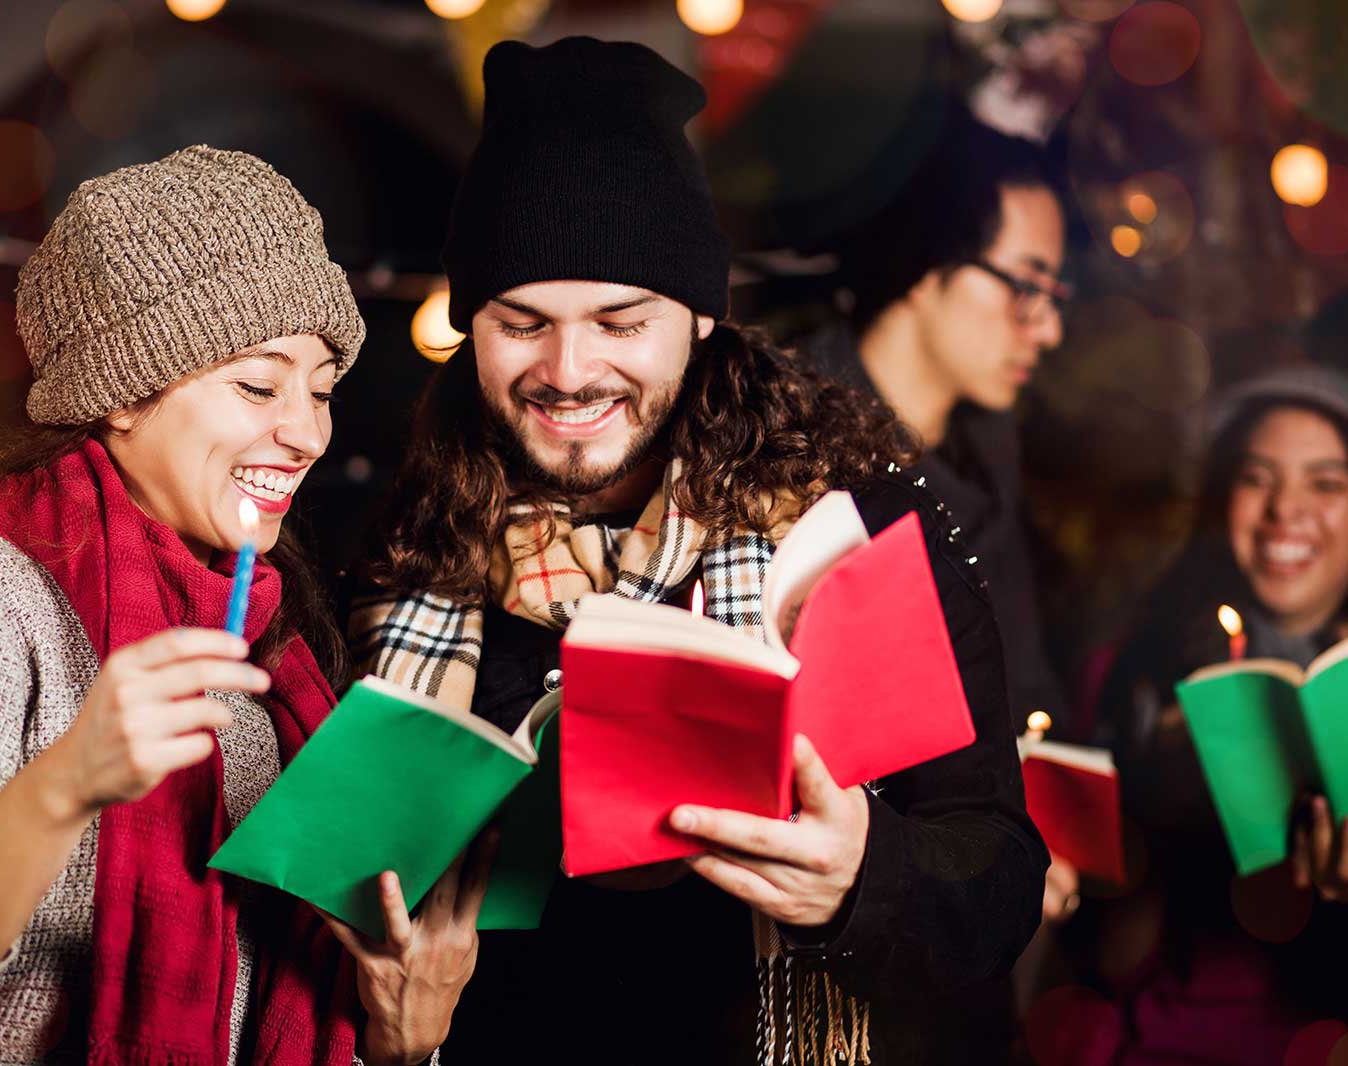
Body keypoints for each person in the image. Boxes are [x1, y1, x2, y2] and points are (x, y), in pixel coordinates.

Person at [351, 38, 1047, 1066]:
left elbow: (995, 878)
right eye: (522, 321)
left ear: (698, 317)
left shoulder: (849, 522)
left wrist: (867, 872)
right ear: (470, 324)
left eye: (619, 321)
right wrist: (390, 1038)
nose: (569, 370)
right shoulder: (403, 551)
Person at [0, 147, 479, 1065]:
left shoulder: (275, 657)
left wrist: (404, 1040)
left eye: (322, 390)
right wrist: (64, 786)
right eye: (258, 385)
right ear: (121, 394)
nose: (305, 433)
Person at [1084, 365, 1348, 1065]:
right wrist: (1157, 805)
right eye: (1256, 477)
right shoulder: (1141, 674)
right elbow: (1105, 963)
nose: (1285, 510)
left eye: (1326, 483)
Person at [803, 115, 1070, 742]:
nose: (1049, 329)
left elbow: (1025, 690)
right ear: (927, 266)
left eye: (1056, 295)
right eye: (1025, 287)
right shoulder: (782, 438)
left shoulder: (990, 453)